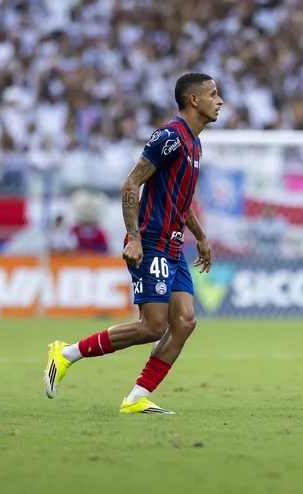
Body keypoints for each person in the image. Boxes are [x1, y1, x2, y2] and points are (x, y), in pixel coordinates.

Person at [44, 73, 223, 414]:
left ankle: (136, 397)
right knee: (152, 326)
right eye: (213, 94)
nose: (220, 100)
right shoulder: (169, 137)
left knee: (184, 322)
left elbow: (179, 202)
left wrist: (200, 236)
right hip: (152, 242)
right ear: (193, 100)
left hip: (174, 246)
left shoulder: (195, 144)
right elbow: (130, 184)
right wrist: (136, 239)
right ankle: (67, 353)